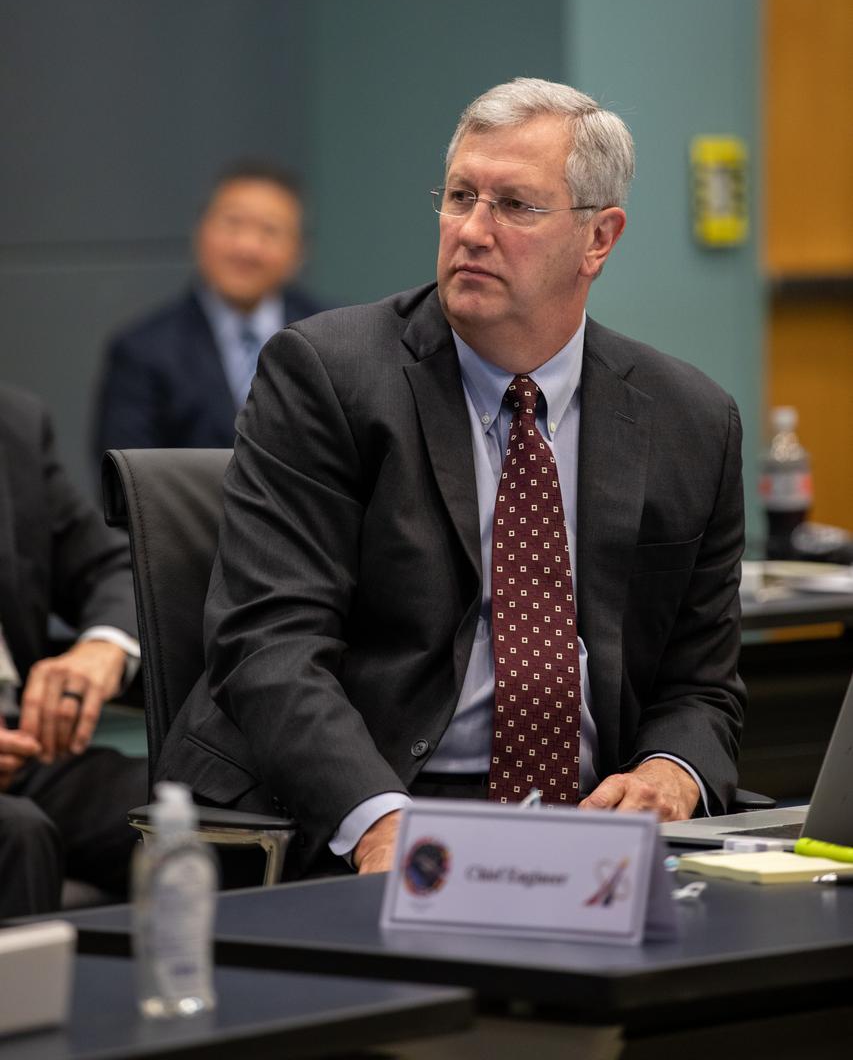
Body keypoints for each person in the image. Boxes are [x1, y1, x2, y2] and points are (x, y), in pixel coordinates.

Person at [157, 78, 746, 879]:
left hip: (587, 834)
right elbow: (268, 644)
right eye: (460, 195)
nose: (472, 230)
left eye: (514, 206)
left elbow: (700, 685)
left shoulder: (690, 420)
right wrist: (377, 822)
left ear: (598, 239)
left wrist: (667, 776)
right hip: (360, 808)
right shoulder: (327, 375)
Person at [0, 384, 146, 919]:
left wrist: (102, 646)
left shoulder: (12, 421)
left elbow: (112, 567)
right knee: (18, 834)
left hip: (31, 749)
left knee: (213, 814)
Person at [93, 158, 325, 459]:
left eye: (269, 230)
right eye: (232, 223)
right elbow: (127, 484)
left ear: (299, 252)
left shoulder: (330, 337)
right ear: (200, 231)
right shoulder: (142, 351)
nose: (247, 246)